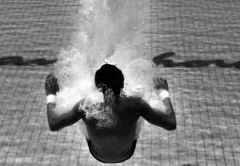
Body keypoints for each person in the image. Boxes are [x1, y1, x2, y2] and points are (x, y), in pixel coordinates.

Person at [45, 64, 176, 163]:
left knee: (84, 114)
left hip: (98, 154)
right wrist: (163, 92)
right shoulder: (136, 103)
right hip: (126, 153)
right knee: (139, 111)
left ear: (98, 87)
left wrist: (50, 95)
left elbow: (54, 124)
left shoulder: (86, 105)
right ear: (122, 85)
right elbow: (171, 123)